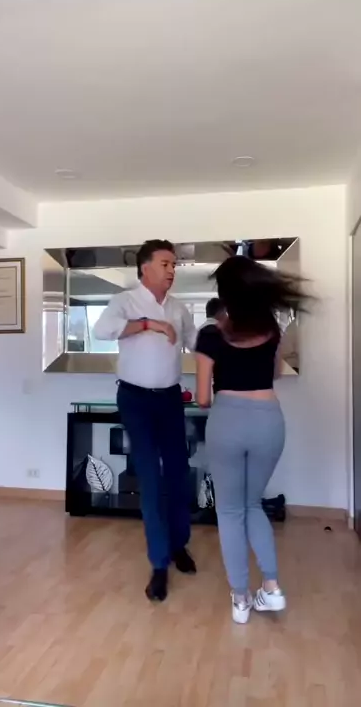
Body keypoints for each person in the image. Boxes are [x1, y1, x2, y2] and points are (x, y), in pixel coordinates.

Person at [195, 255, 310, 624]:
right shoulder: (271, 330)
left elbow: (203, 398)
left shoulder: (210, 335)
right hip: (268, 421)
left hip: (227, 421)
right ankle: (272, 588)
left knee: (230, 511)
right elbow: (274, 375)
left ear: (225, 294)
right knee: (252, 505)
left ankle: (241, 599)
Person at [93, 239, 197, 602]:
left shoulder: (180, 308)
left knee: (179, 473)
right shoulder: (124, 301)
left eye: (174, 265)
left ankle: (179, 544)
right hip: (135, 400)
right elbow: (101, 331)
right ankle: (158, 563)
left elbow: (197, 343)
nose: (171, 270)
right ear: (145, 268)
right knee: (150, 478)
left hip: (170, 399)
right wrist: (149, 324)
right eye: (165, 264)